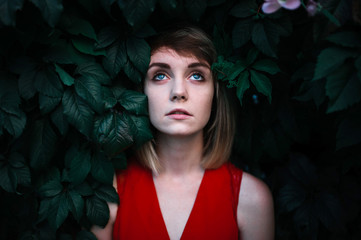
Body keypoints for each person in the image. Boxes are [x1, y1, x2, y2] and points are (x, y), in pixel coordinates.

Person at [91, 26, 274, 240]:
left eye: (196, 75)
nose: (178, 92)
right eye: (160, 75)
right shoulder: (108, 194)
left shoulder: (250, 199)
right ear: (141, 92)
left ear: (215, 92)